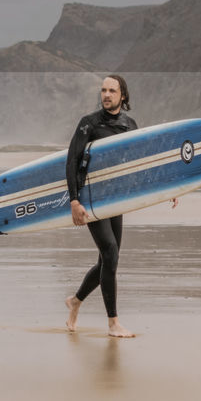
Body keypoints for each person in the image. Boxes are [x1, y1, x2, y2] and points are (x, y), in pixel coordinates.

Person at [63, 74, 175, 338]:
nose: (106, 95)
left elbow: (141, 162)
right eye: (103, 90)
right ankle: (113, 323)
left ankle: (76, 301)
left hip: (116, 199)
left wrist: (167, 187)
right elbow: (71, 161)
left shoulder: (129, 124)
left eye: (112, 90)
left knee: (107, 260)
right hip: (91, 198)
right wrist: (74, 200)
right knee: (111, 252)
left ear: (122, 95)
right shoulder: (88, 124)